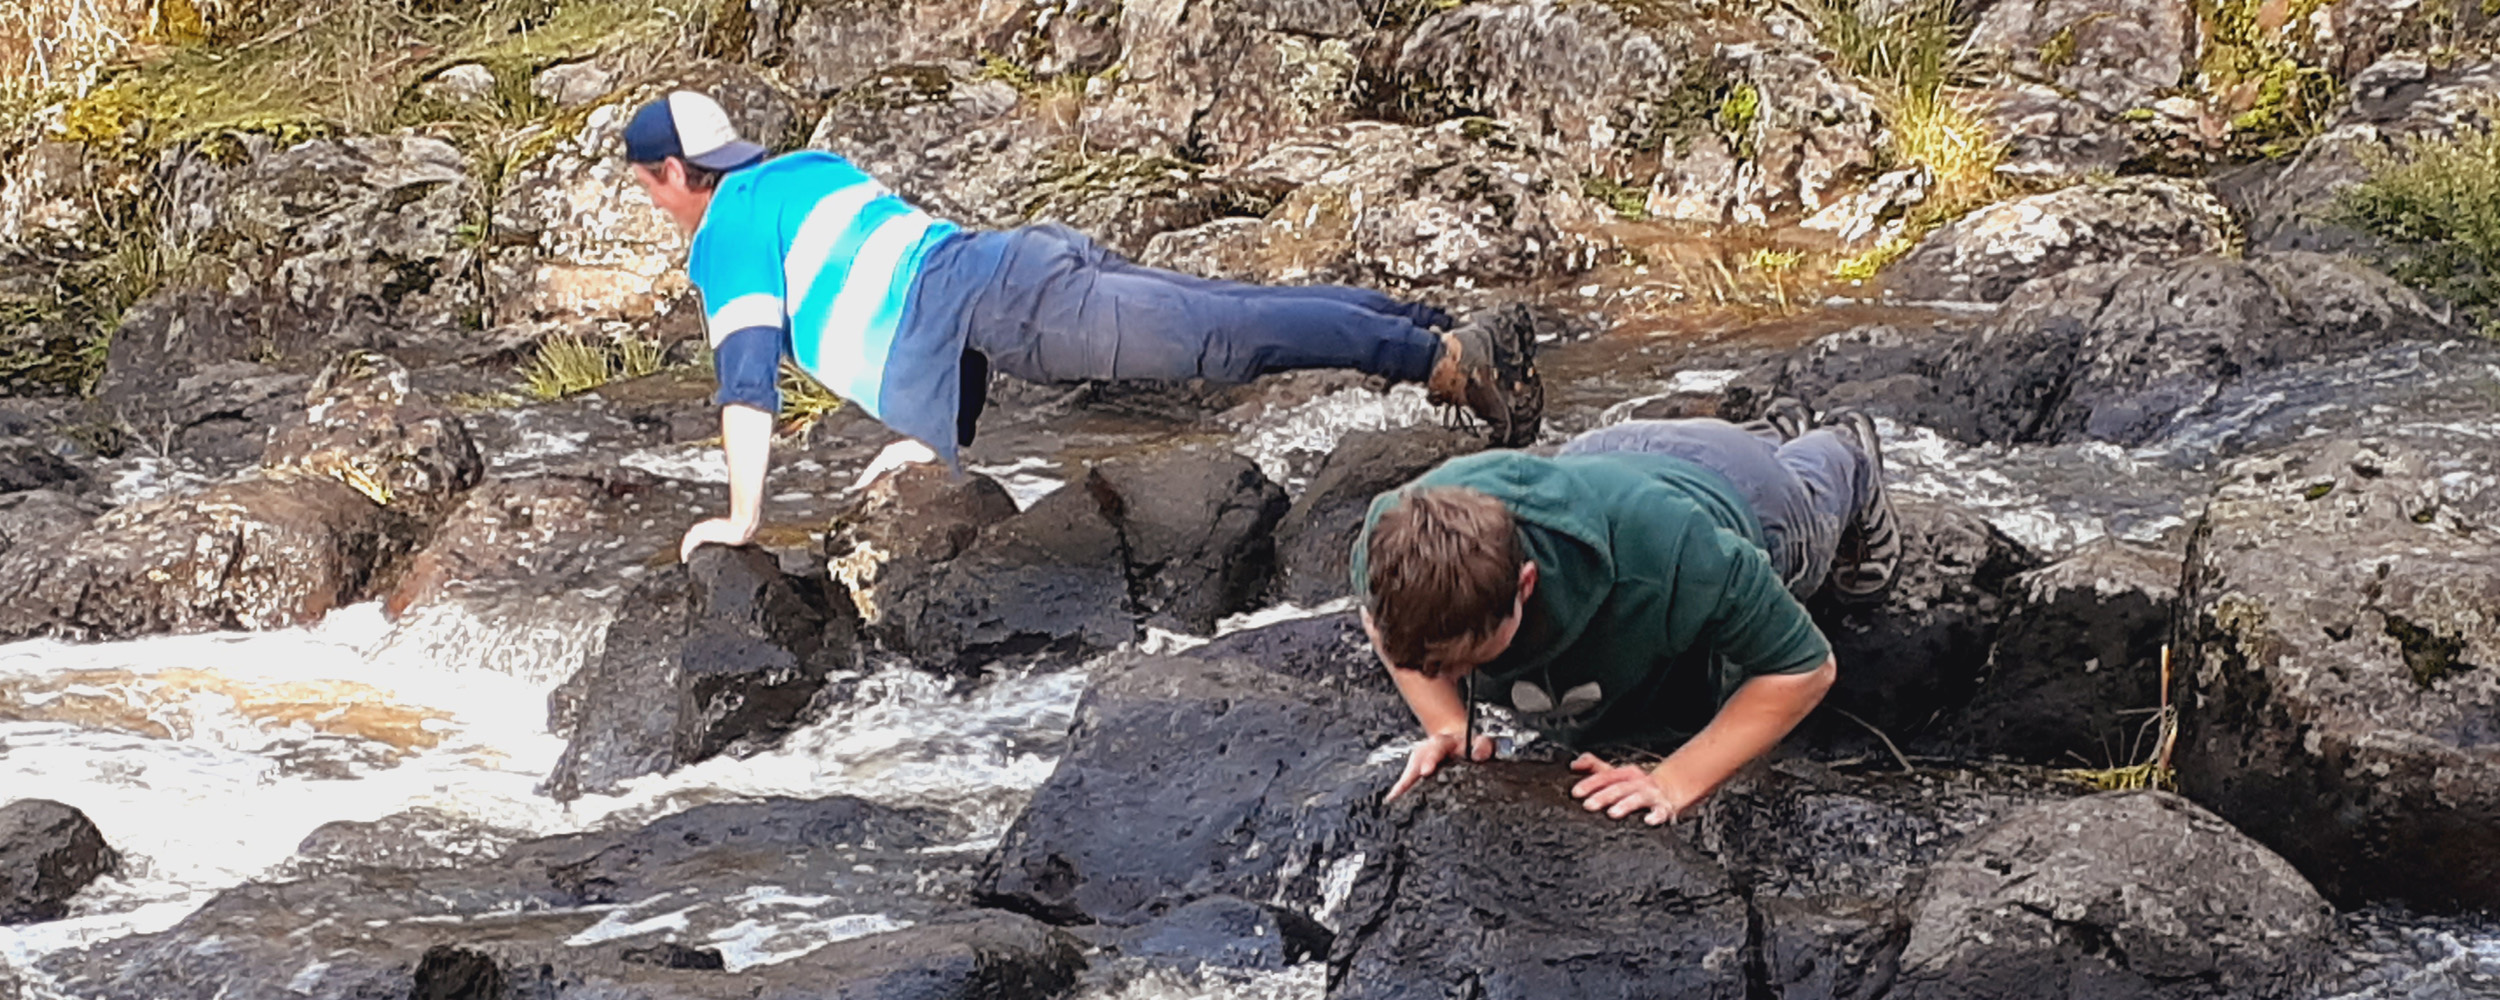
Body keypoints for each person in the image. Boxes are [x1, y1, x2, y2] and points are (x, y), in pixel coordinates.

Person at [618, 90, 1544, 561]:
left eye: (649, 185)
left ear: (666, 173)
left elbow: (748, 379)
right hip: (1014, 266)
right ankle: (1441, 334)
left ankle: (1437, 356)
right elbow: (892, 287)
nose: (655, 202)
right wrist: (925, 439)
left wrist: (742, 522)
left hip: (1014, 303)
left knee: (1228, 341)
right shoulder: (798, 173)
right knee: (1226, 311)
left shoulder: (726, 234)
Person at [1350, 401, 1900, 824]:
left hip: (1744, 497)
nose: (1448, 679)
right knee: (1724, 448)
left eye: (1467, 662)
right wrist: (1449, 724)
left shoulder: (1675, 551)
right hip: (1598, 457)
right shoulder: (1389, 537)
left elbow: (1804, 667)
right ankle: (1769, 427)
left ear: (1525, 584)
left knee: (1807, 495)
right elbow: (1375, 618)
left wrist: (1673, 781)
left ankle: (1840, 445)